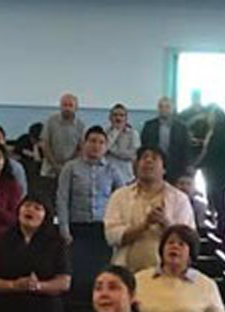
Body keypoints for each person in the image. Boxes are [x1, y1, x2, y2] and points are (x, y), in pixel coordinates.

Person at [0, 196, 72, 312]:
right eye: (27, 206)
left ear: (46, 216)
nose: (30, 210)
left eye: (37, 208)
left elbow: (64, 282)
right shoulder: (1, 239)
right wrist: (13, 285)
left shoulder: (57, 242)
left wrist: (37, 286)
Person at [57, 126, 125, 297]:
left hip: (102, 230)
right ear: (84, 143)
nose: (96, 146)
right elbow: (62, 198)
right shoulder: (70, 168)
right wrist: (64, 229)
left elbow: (122, 199)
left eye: (101, 142)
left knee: (100, 275)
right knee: (78, 274)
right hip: (77, 229)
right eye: (92, 141)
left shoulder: (113, 170)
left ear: (105, 146)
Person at [104, 147, 196, 273]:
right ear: (136, 166)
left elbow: (189, 239)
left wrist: (166, 224)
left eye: (154, 158)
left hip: (168, 273)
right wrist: (144, 225)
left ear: (164, 169)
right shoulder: (119, 196)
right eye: (144, 157)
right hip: (127, 272)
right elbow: (112, 236)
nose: (148, 161)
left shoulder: (180, 199)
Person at [195, 105, 225, 241]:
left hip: (217, 174)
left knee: (220, 204)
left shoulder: (218, 133)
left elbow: (211, 155)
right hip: (220, 173)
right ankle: (218, 227)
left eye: (210, 115)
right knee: (218, 202)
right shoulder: (224, 132)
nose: (208, 118)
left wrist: (195, 166)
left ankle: (221, 231)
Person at [40, 93, 86, 201]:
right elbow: (44, 144)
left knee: (66, 200)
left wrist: (67, 166)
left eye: (70, 105)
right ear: (60, 106)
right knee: (46, 200)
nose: (67, 108)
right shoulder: (51, 121)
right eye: (64, 105)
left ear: (76, 108)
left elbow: (81, 148)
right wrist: (55, 165)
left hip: (71, 171)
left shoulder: (81, 125)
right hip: (49, 170)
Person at [140, 97, 190, 182]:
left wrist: (186, 168)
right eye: (161, 107)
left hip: (176, 168)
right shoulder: (149, 126)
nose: (164, 109)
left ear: (172, 109)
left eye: (167, 107)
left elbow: (186, 149)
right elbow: (144, 147)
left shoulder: (182, 128)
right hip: (153, 166)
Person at [105, 104, 141, 184]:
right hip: (107, 176)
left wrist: (112, 150)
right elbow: (103, 150)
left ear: (126, 118)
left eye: (121, 115)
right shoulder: (105, 132)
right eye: (115, 115)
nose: (118, 118)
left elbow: (133, 155)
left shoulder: (133, 134)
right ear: (110, 118)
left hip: (126, 177)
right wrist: (115, 133)